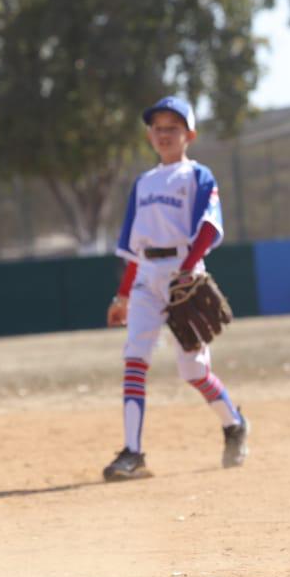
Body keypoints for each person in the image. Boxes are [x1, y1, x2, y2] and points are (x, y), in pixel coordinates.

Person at [103, 96, 249, 482]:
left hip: (183, 275)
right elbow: (133, 248)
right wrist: (122, 295)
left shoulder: (197, 176)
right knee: (134, 358)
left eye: (173, 128)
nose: (164, 134)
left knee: (194, 370)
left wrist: (186, 270)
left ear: (190, 135)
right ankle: (133, 453)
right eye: (157, 128)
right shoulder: (144, 183)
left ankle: (234, 424)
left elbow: (208, 227)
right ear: (149, 135)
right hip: (147, 278)